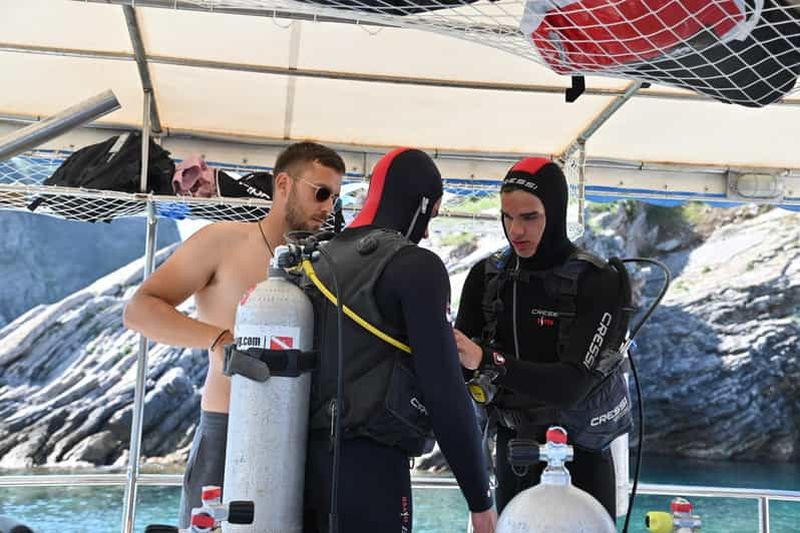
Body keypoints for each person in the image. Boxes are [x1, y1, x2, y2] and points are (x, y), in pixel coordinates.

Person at [122, 141, 345, 528]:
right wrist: (217, 338)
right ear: (283, 184)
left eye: (335, 198)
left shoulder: (330, 263)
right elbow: (140, 309)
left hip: (305, 434)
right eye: (320, 193)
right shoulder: (221, 242)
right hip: (228, 428)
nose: (328, 207)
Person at [303, 148, 497, 533]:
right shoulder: (414, 266)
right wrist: (480, 500)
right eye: (431, 216)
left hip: (300, 470)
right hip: (371, 472)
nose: (425, 231)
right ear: (421, 204)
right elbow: (444, 392)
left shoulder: (317, 258)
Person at [453, 157, 632, 519]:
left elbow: (571, 386)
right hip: (512, 448)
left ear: (555, 211)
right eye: (507, 216)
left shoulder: (597, 281)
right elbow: (459, 370)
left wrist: (487, 361)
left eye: (529, 217)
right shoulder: (486, 276)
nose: (515, 230)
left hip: (581, 451)